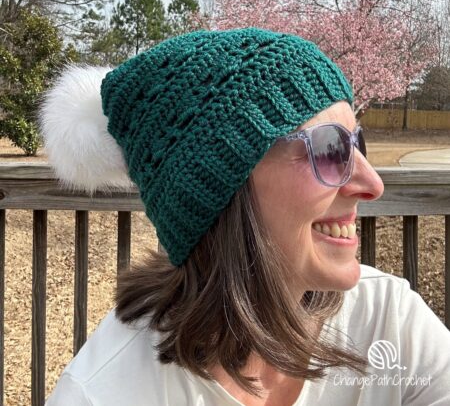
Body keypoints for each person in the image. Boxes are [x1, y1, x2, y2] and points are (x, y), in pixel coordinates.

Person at [40, 28, 450, 406]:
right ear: (220, 191)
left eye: (357, 141)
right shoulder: (104, 393)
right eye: (330, 148)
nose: (372, 183)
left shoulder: (387, 318)